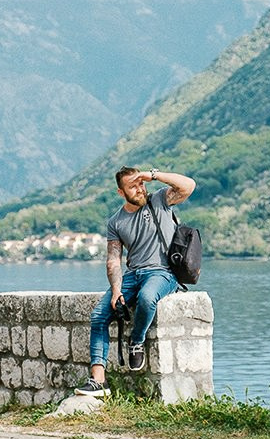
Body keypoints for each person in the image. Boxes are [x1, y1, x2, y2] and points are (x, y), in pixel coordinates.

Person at [76, 165, 196, 397]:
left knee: (148, 297)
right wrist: (116, 290)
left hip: (163, 273)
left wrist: (153, 175)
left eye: (141, 183)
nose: (140, 189)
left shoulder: (160, 199)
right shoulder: (116, 222)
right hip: (133, 274)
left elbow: (189, 186)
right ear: (121, 192)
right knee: (99, 315)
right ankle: (98, 381)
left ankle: (137, 340)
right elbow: (113, 260)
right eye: (133, 186)